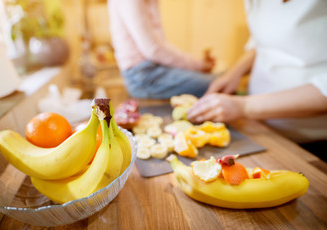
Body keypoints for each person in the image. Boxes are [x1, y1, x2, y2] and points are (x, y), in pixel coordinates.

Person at [187, 0, 327, 160]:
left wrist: (244, 106)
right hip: (259, 129)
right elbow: (264, 41)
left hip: (311, 145)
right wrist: (234, 72)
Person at [107, 0, 215, 99]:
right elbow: (153, 49)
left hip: (153, 68)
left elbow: (159, 46)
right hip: (143, 76)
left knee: (220, 79)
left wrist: (198, 64)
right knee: (217, 83)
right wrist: (198, 65)